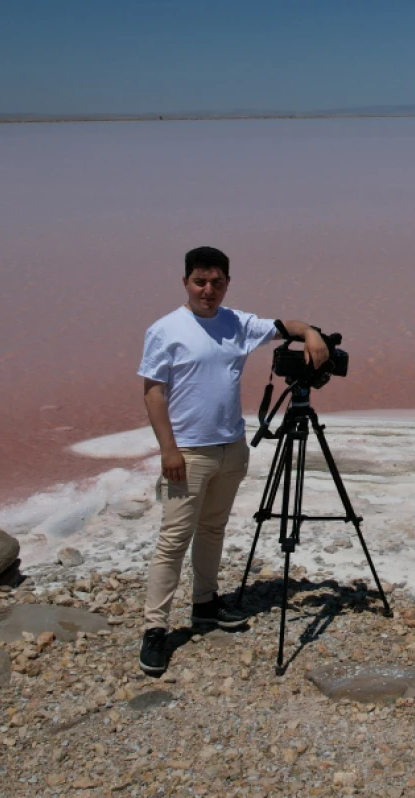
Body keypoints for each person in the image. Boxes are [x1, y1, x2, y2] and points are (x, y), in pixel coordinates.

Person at [135, 245, 330, 676]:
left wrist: (311, 334)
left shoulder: (237, 322)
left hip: (231, 446)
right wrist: (168, 449)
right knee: (173, 540)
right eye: (200, 281)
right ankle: (155, 629)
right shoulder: (166, 329)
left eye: (216, 282)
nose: (208, 290)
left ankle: (205, 603)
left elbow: (287, 326)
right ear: (185, 282)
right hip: (188, 450)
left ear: (227, 283)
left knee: (212, 529)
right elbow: (152, 392)